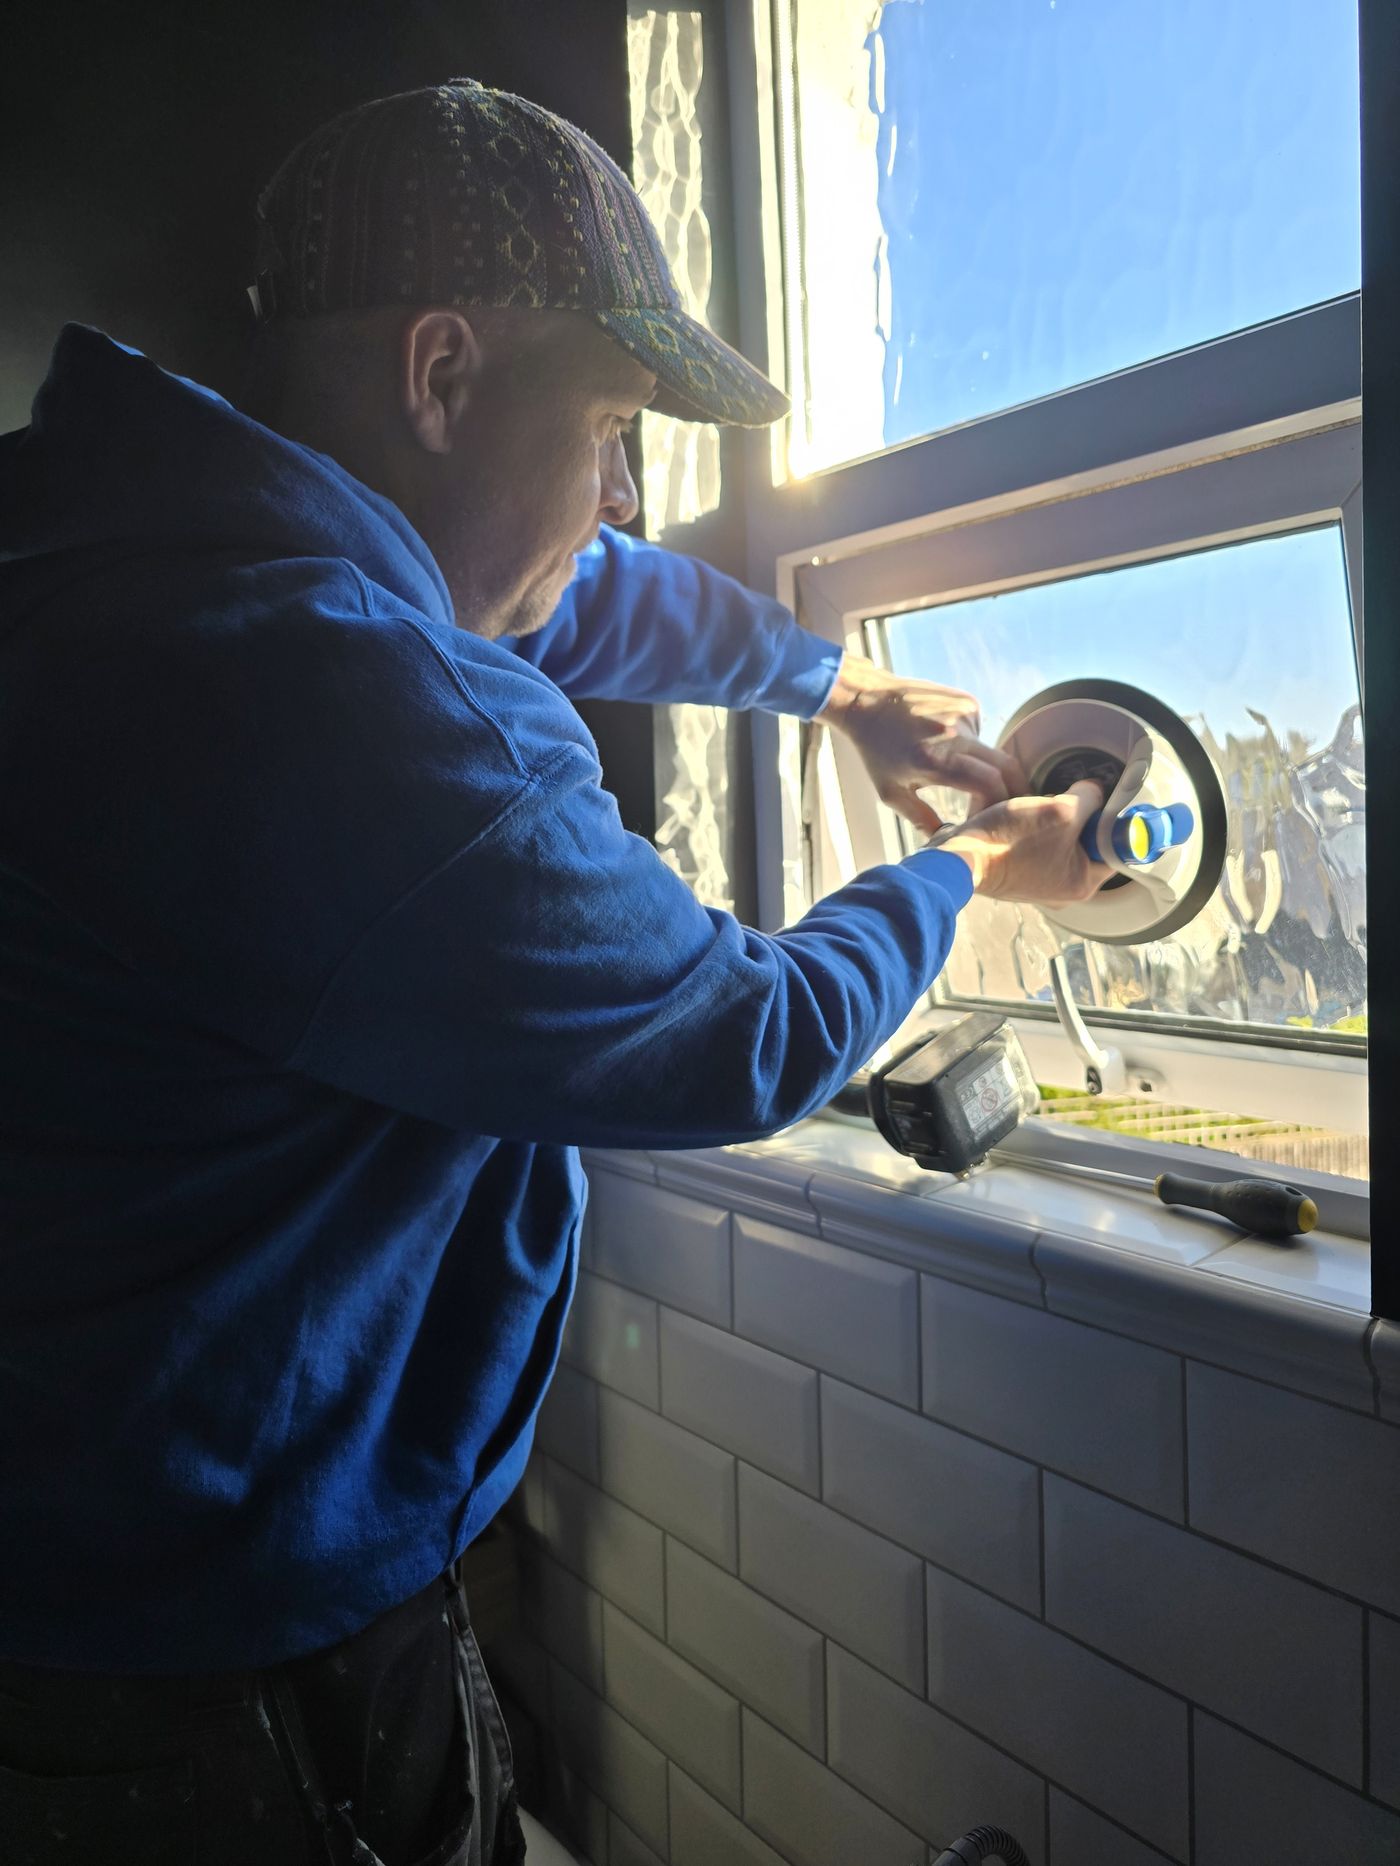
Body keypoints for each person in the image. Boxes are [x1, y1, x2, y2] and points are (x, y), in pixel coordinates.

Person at [0, 78, 1101, 1866]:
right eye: (608, 430)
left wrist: (837, 687)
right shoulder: (344, 700)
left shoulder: (138, 526)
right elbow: (751, 1034)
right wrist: (977, 864)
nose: (615, 494)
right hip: (213, 1671)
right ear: (440, 373)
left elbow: (573, 592)